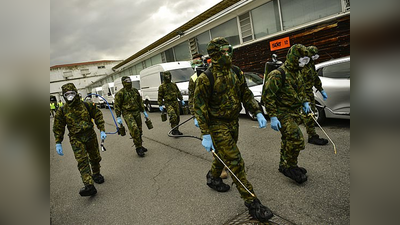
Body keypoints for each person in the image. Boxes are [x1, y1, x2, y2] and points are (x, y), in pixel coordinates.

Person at [193, 37, 273, 222]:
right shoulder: (206, 78)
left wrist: (257, 111)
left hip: (233, 122)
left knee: (224, 155)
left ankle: (213, 177)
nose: (227, 55)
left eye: (229, 50)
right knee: (235, 161)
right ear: (214, 54)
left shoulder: (236, 72)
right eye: (223, 52)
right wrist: (205, 133)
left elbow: (246, 93)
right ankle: (253, 203)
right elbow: (199, 107)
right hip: (216, 124)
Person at [261, 44, 311, 184]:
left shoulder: (297, 72)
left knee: (287, 139)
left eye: (306, 60)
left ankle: (283, 165)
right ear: (294, 58)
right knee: (296, 139)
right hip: (282, 113)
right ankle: (291, 167)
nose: (304, 63)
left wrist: (305, 102)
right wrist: (273, 116)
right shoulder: (277, 74)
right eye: (302, 60)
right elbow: (267, 96)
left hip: (294, 112)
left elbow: (301, 90)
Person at [52, 83, 107, 197]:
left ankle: (96, 174)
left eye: (72, 93)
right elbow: (58, 127)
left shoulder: (87, 105)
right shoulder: (62, 111)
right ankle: (89, 185)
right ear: (64, 96)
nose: (70, 96)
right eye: (67, 94)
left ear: (76, 93)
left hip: (90, 135)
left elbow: (98, 115)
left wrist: (102, 129)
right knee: (82, 161)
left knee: (95, 157)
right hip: (76, 139)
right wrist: (58, 142)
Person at [189, 53, 228, 179]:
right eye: (195, 62)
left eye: (199, 61)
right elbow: (191, 99)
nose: (197, 64)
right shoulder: (194, 78)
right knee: (215, 143)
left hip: (220, 112)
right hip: (205, 114)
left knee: (227, 140)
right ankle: (221, 168)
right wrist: (195, 116)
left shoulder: (214, 73)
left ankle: (224, 162)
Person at [114, 76, 149, 157]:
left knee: (139, 130)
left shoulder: (135, 91)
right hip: (127, 113)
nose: (129, 82)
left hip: (136, 112)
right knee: (134, 129)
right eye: (126, 81)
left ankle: (140, 144)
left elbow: (139, 101)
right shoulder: (120, 93)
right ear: (123, 83)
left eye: (129, 80)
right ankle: (138, 148)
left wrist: (143, 111)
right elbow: (117, 106)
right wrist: (118, 117)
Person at [301, 46, 328, 145]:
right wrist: (304, 100)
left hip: (309, 92)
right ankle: (312, 136)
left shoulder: (311, 64)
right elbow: (298, 84)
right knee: (309, 114)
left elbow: (315, 78)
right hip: (302, 93)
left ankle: (303, 131)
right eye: (313, 55)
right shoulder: (302, 65)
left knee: (307, 114)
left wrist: (321, 89)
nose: (315, 58)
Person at [158, 71, 185, 135]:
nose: (168, 77)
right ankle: (173, 130)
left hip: (175, 102)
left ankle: (176, 130)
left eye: (169, 76)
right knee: (173, 116)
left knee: (177, 117)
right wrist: (160, 105)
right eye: (166, 76)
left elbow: (178, 92)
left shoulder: (173, 84)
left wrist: (181, 99)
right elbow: (160, 96)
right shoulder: (162, 86)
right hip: (168, 103)